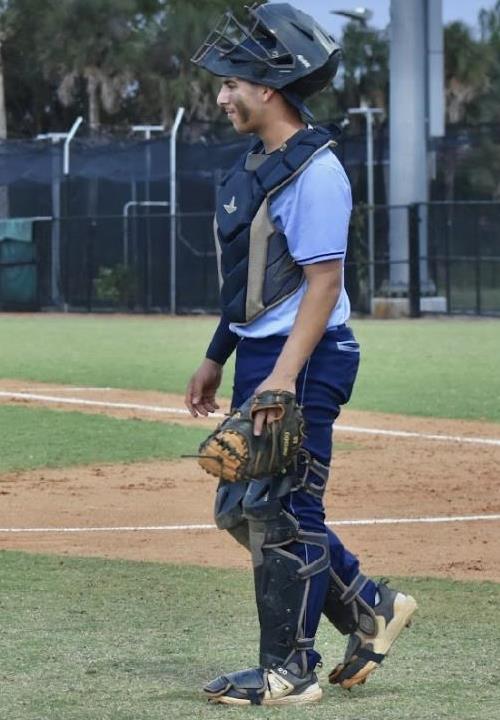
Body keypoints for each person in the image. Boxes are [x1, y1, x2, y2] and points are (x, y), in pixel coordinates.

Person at [185, 2, 417, 707]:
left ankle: (289, 671)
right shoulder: (261, 164)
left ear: (269, 88)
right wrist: (217, 354)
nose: (221, 97)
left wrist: (283, 378)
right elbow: (253, 282)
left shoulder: (315, 173)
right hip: (264, 354)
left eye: (231, 84)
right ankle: (369, 606)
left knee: (282, 511)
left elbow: (323, 284)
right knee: (241, 507)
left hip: (305, 360)